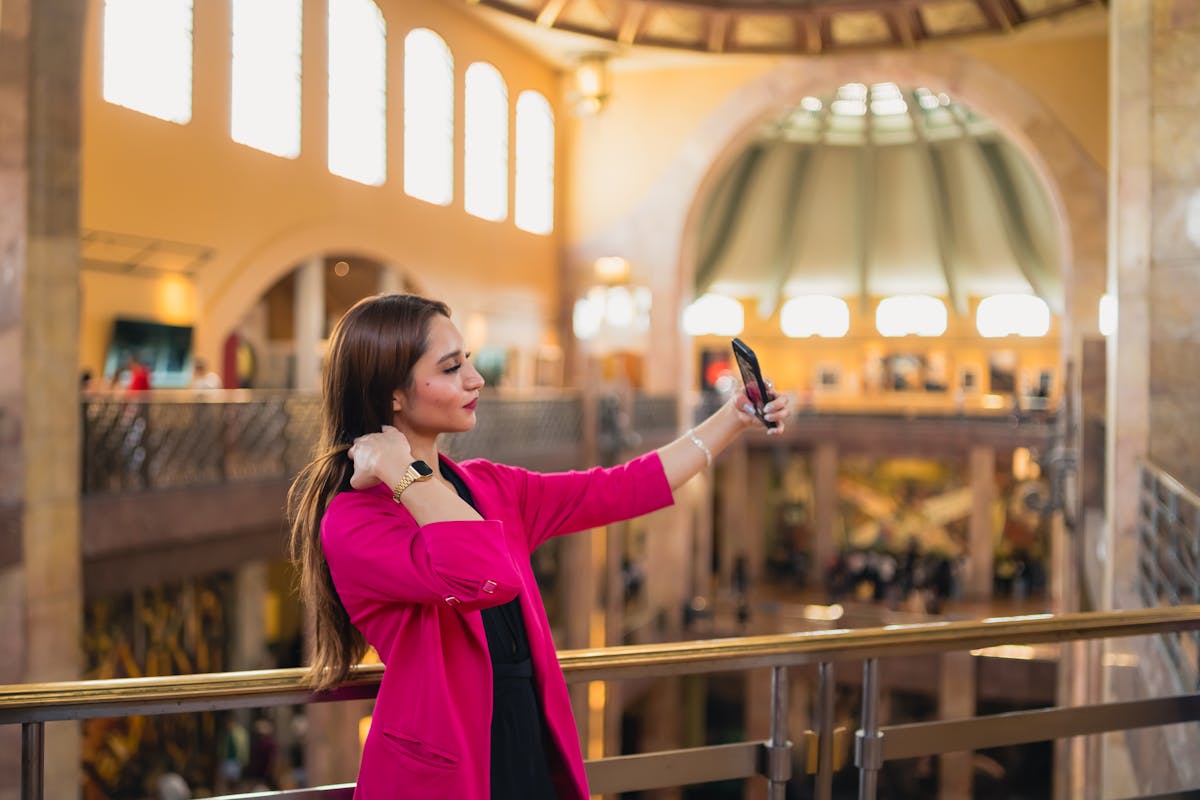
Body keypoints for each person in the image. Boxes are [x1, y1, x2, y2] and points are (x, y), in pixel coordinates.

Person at [287, 293, 789, 800]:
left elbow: (621, 487)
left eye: (468, 361)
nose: (475, 379)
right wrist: (401, 472)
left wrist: (734, 417)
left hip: (526, 744)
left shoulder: (491, 486)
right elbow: (483, 573)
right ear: (393, 394)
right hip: (445, 770)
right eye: (451, 367)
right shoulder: (355, 521)